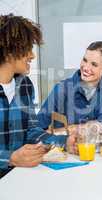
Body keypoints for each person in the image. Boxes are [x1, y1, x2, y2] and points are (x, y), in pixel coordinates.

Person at [0, 14, 76, 177]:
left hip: (20, 177)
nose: (32, 55)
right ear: (8, 51)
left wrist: (65, 142)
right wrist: (10, 158)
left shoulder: (24, 85)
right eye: (27, 48)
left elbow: (31, 130)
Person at [37, 41, 102, 134]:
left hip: (96, 147)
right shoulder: (62, 89)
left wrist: (72, 129)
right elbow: (37, 129)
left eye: (94, 64)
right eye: (85, 60)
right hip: (64, 147)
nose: (86, 68)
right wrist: (82, 128)